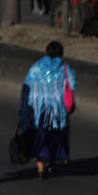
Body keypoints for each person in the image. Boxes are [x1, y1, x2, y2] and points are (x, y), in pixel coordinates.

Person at [19, 40, 77, 179]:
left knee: (40, 136)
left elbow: (27, 85)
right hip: (58, 112)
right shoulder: (64, 68)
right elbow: (73, 84)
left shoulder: (36, 67)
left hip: (40, 110)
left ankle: (40, 169)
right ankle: (53, 163)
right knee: (55, 136)